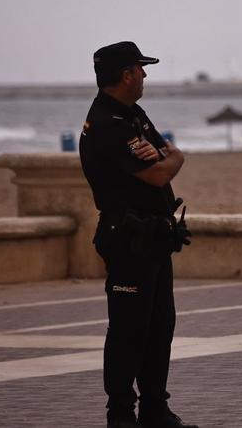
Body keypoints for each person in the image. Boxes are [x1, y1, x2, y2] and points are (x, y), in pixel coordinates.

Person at [79, 42, 196, 428]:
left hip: (154, 236)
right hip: (128, 238)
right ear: (126, 74)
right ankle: (121, 415)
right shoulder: (108, 124)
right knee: (129, 329)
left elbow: (169, 155)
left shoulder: (132, 114)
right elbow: (162, 170)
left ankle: (154, 409)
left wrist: (170, 156)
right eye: (140, 69)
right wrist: (171, 159)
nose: (145, 75)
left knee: (160, 326)